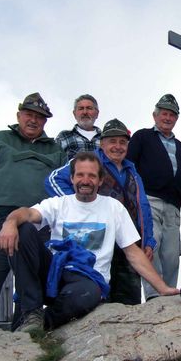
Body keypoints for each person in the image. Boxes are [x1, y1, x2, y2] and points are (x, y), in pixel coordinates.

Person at [0, 152, 179, 332]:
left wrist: (162, 287)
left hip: (87, 280)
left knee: (87, 295)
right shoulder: (59, 203)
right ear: (72, 179)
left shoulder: (113, 207)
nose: (85, 180)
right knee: (24, 229)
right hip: (55, 272)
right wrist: (10, 222)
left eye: (91, 176)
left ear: (100, 181)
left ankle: (41, 323)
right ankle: (30, 312)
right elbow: (27, 213)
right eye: (80, 175)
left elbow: (133, 252)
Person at [0, 93, 67, 335]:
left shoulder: (56, 150)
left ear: (45, 122)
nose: (34, 120)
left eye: (40, 117)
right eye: (29, 114)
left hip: (39, 219)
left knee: (31, 274)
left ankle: (25, 328)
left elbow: (65, 183)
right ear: (19, 116)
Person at [45, 119, 156, 305]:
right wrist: (79, 203)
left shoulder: (132, 170)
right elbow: (52, 180)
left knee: (129, 299)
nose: (117, 147)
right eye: (112, 141)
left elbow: (143, 206)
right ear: (102, 143)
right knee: (97, 294)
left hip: (128, 242)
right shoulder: (89, 163)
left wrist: (148, 240)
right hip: (99, 238)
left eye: (122, 142)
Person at [126, 94, 181, 300]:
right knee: (151, 246)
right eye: (164, 113)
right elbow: (129, 166)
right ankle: (154, 293)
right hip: (149, 200)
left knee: (172, 254)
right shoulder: (142, 137)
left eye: (172, 115)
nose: (167, 117)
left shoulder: (180, 147)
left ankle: (170, 292)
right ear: (155, 116)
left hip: (173, 206)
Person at [55, 94, 102, 159]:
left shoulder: (106, 138)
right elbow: (54, 163)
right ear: (74, 114)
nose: (85, 112)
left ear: (97, 113)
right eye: (81, 108)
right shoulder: (64, 137)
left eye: (89, 108)